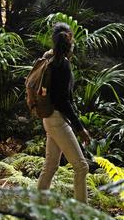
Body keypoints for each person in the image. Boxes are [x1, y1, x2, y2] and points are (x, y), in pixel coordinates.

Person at [37, 22, 91, 202]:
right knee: (81, 167)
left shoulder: (47, 58)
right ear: (70, 41)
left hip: (48, 118)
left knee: (51, 166)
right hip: (58, 120)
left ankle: (38, 209)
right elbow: (64, 101)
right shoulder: (63, 65)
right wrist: (80, 128)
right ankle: (81, 214)